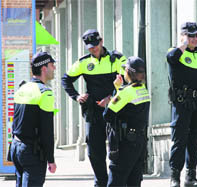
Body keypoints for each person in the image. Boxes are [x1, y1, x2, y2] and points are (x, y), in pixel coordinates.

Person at [61, 29, 127, 186]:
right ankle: (101, 182)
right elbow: (66, 79)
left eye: (95, 45)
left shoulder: (117, 59)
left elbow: (128, 81)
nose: (93, 49)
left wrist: (111, 98)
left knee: (117, 149)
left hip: (115, 109)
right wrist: (77, 96)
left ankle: (115, 182)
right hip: (94, 112)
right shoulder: (83, 62)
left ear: (101, 41)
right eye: (90, 47)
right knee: (94, 151)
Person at [166, 22, 197, 187]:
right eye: (190, 35)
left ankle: (191, 177)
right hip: (182, 103)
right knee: (179, 140)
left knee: (193, 141)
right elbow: (171, 59)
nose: (194, 39)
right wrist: (183, 45)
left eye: (196, 35)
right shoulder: (175, 52)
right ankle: (175, 178)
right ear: (182, 36)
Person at [10, 52, 57, 187]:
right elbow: (47, 129)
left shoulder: (23, 88)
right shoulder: (45, 93)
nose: (53, 68)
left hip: (16, 147)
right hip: (32, 151)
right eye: (51, 65)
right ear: (43, 68)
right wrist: (51, 160)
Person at [103, 56, 150, 187]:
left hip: (125, 143)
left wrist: (116, 91)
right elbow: (128, 107)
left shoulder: (125, 92)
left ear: (128, 72)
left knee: (116, 178)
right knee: (134, 181)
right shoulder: (143, 89)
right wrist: (119, 89)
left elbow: (107, 115)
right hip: (139, 141)